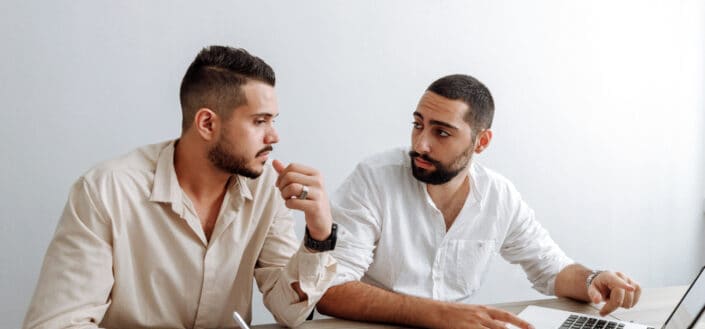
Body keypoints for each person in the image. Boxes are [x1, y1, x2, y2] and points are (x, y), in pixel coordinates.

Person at [23, 45, 339, 329]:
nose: (274, 136)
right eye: (260, 121)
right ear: (207, 124)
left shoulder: (266, 188)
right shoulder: (105, 191)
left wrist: (319, 235)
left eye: (274, 120)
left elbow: (289, 311)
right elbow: (57, 324)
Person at [316, 74, 641, 329]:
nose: (421, 144)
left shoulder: (499, 196)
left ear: (481, 142)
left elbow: (550, 268)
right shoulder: (374, 179)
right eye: (418, 125)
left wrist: (591, 280)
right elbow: (329, 290)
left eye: (441, 133)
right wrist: (441, 316)